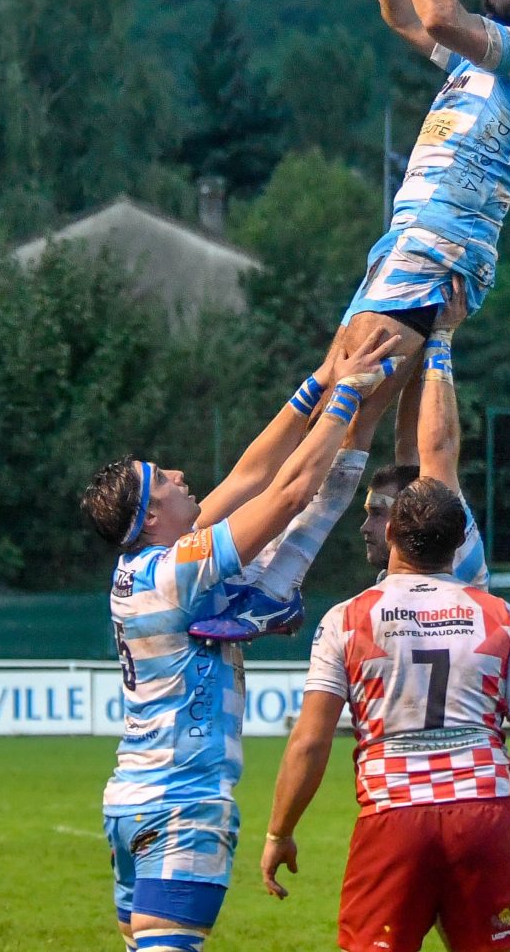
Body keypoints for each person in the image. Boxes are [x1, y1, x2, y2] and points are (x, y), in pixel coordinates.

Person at [206, 0, 510, 644]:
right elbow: (404, 15)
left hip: (438, 244)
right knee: (354, 407)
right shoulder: (483, 64)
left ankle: (280, 576)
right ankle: (280, 576)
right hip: (407, 243)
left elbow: (442, 11)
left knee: (347, 407)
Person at [82, 331, 404, 952]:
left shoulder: (144, 567)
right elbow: (286, 493)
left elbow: (252, 471)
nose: (179, 474)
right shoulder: (180, 571)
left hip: (131, 801)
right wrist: (345, 397)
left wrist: (319, 379)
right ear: (151, 515)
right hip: (184, 803)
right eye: (165, 479)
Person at [261, 477, 510, 952]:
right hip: (484, 812)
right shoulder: (499, 616)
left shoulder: (347, 618)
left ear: (392, 533)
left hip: (392, 817)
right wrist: (499, 808)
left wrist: (280, 831)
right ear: (459, 543)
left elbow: (310, 742)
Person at [353, 322, 486, 587]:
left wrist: (440, 336)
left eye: (378, 512)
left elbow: (439, 449)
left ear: (414, 515)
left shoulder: (453, 553)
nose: (365, 527)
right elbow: (409, 445)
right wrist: (420, 338)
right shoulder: (397, 578)